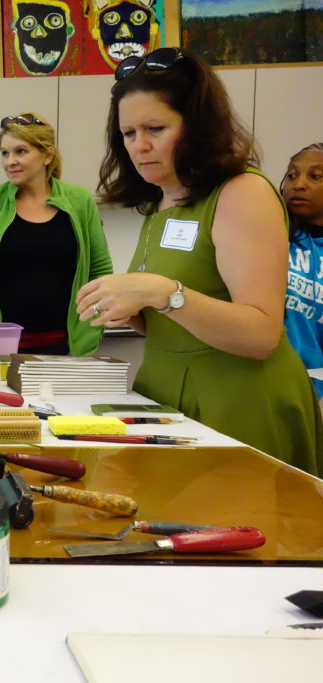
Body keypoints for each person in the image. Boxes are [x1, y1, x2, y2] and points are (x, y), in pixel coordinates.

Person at [76, 47, 323, 476]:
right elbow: (180, 319)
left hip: (240, 403)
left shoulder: (242, 192)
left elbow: (261, 334)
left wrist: (162, 292)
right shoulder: (164, 201)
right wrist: (133, 308)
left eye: (155, 128)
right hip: (169, 395)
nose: (139, 145)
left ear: (196, 127)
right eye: (128, 133)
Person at [0, 113, 112, 355]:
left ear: (47, 155)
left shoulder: (80, 201)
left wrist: (95, 323)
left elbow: (100, 271)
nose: (10, 161)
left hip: (68, 348)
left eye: (20, 151)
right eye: (5, 153)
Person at [282, 142, 323, 400]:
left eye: (315, 176)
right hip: (259, 377)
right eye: (292, 175)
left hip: (314, 389)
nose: (299, 185)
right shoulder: (269, 234)